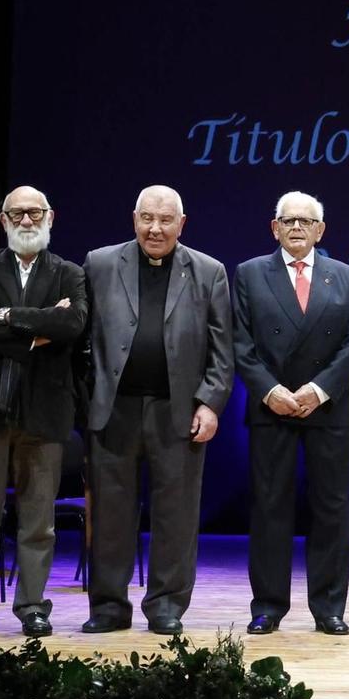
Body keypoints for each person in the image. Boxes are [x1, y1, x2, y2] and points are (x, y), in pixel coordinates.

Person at [81, 184, 234, 635]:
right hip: (114, 410)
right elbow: (83, 338)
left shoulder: (209, 271)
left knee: (177, 514)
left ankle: (166, 605)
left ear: (181, 224)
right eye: (148, 218)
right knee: (110, 515)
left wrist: (209, 402)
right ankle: (108, 607)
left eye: (166, 220)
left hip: (179, 412)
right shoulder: (101, 263)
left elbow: (222, 350)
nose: (155, 228)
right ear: (134, 218)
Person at [0, 186, 88, 639]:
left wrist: (9, 316)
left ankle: (32, 607)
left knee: (38, 521)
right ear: (3, 220)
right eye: (17, 214)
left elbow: (73, 324)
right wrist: (36, 327)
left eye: (35, 213)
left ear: (52, 217)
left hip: (45, 409)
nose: (27, 221)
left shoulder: (70, 273)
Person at [231, 191, 349, 635]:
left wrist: (318, 389)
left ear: (320, 230)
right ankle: (268, 606)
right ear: (275, 228)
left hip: (327, 407)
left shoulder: (344, 277)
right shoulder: (250, 274)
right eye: (287, 221)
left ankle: (329, 608)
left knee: (331, 509)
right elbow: (240, 342)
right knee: (270, 509)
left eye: (305, 222)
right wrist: (271, 391)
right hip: (272, 408)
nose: (296, 228)